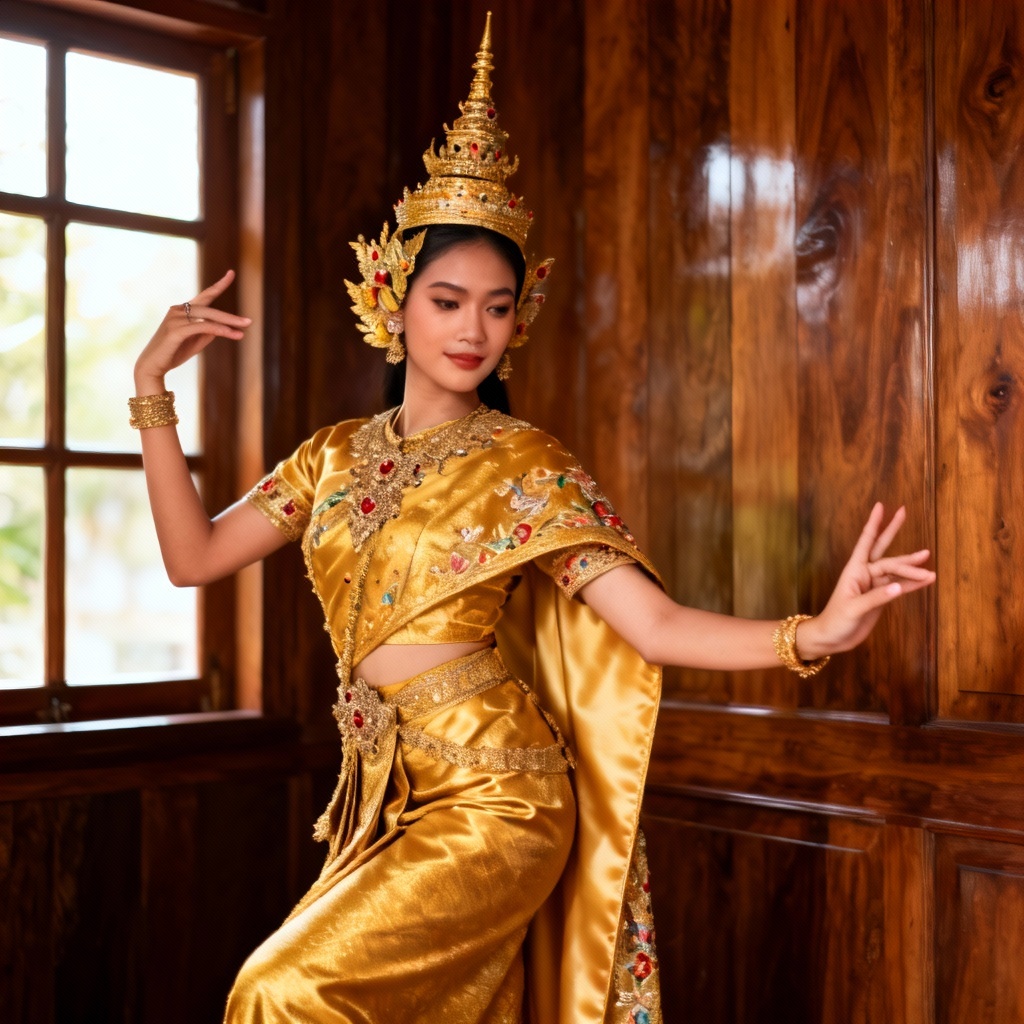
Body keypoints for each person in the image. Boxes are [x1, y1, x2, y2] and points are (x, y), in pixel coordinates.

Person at [130, 15, 935, 1024]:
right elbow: (193, 556)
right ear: (392, 302)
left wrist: (808, 634)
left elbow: (651, 625)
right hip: (390, 798)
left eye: (497, 306)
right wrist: (151, 390)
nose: (472, 328)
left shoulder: (526, 464)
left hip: (499, 798)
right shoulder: (332, 456)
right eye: (447, 299)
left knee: (280, 990)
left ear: (519, 320)